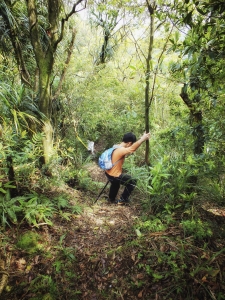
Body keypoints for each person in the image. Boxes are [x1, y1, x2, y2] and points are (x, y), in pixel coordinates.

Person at [105, 131, 150, 205]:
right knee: (132, 181)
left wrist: (142, 137)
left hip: (108, 173)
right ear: (129, 143)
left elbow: (130, 148)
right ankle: (123, 199)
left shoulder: (115, 146)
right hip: (114, 175)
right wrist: (143, 139)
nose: (130, 145)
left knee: (115, 183)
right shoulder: (121, 150)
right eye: (131, 144)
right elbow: (132, 149)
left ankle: (111, 199)